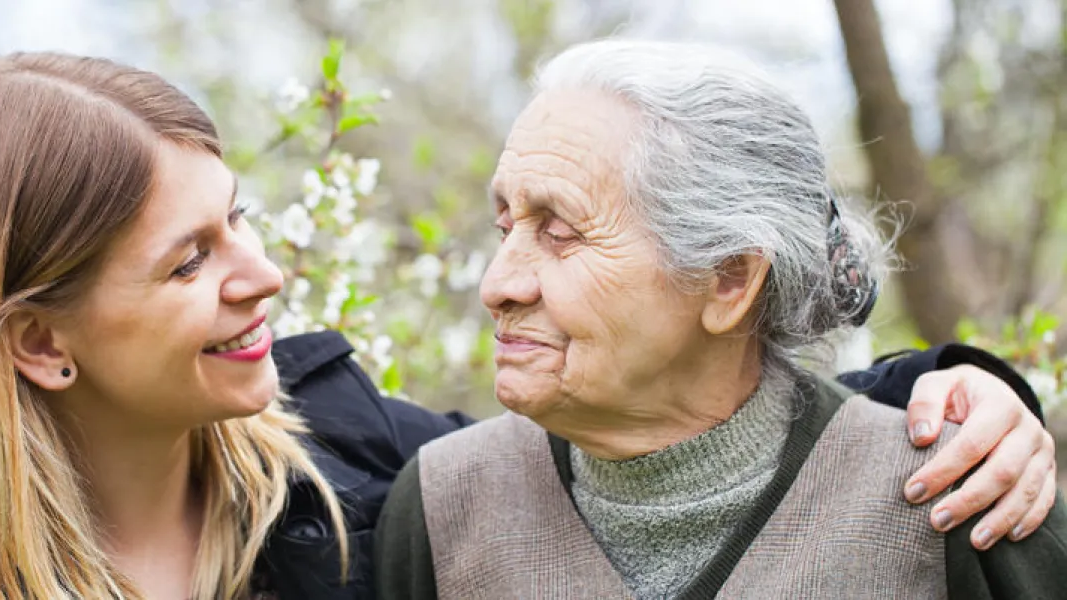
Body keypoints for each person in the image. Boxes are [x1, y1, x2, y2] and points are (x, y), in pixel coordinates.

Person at [0, 51, 1053, 600]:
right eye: (190, 262)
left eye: (239, 222)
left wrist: (958, 392)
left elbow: (686, 426)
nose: (265, 275)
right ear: (39, 343)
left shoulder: (349, 466)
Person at [373, 40, 1067, 599]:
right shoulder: (440, 507)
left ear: (730, 279)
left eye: (560, 232)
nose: (498, 284)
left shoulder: (967, 494)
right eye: (505, 226)